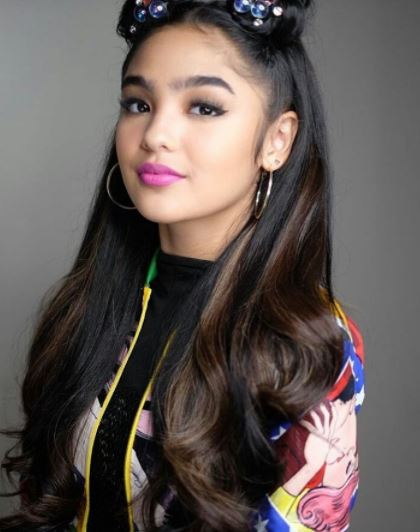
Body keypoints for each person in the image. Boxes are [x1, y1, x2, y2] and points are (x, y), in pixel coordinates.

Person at [0, 0, 366, 530]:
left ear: (277, 139)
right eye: (138, 103)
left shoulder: (307, 340)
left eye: (204, 107)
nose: (155, 134)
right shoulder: (85, 309)